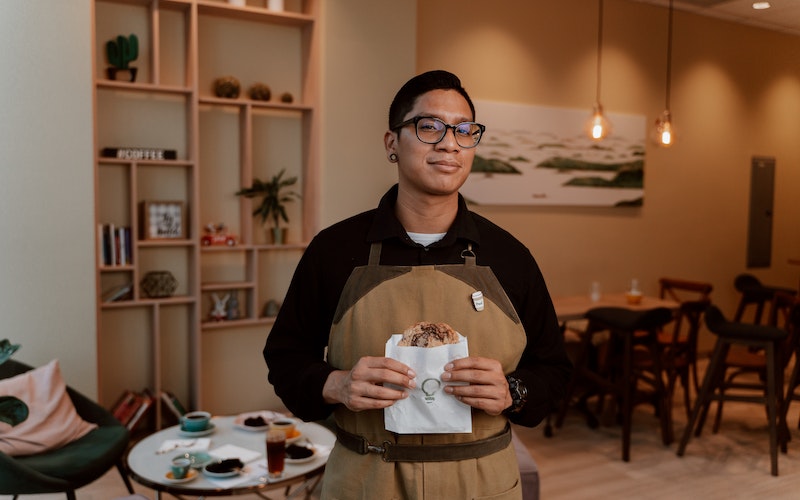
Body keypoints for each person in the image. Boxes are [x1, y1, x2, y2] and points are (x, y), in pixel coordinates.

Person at [264, 70, 572, 499]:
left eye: (465, 131)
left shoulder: (510, 257)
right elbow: (284, 356)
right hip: (365, 483)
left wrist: (513, 390)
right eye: (429, 127)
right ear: (392, 143)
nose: (449, 143)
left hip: (481, 485)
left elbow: (555, 369)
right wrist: (336, 384)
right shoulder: (333, 251)